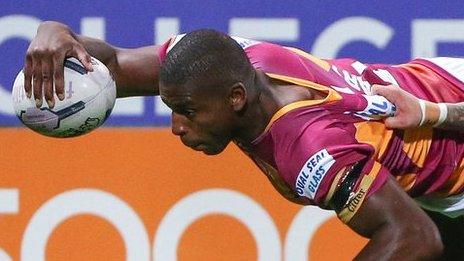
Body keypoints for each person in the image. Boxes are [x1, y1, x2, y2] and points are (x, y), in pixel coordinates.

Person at [24, 21, 464, 260]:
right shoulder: (227, 59)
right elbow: (115, 64)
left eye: (189, 112)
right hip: (440, 88)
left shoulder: (310, 149)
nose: (177, 127)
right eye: (172, 108)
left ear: (236, 99)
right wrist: (58, 34)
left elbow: (413, 237)